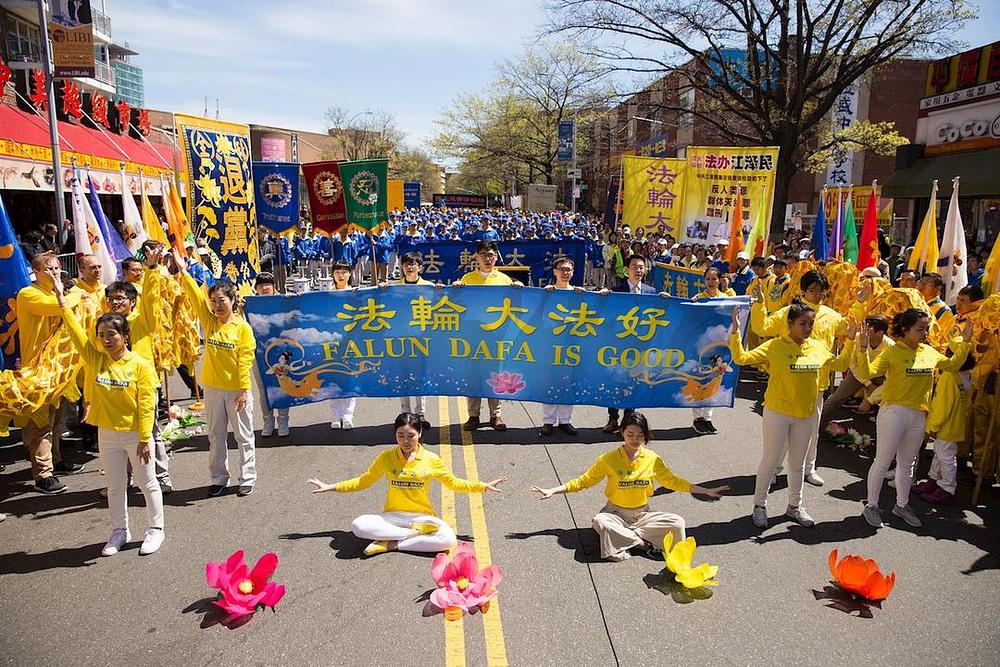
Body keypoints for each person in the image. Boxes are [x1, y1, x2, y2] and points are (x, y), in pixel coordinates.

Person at [54, 279, 164, 556]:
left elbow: (147, 402)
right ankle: (119, 531)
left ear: (125, 336)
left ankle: (155, 530)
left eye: (111, 334)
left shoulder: (139, 365)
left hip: (135, 434)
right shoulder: (96, 358)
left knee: (147, 482)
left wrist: (143, 437)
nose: (105, 339)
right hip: (108, 433)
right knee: (115, 487)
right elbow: (77, 333)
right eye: (101, 334)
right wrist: (61, 301)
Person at [530, 412, 728, 561]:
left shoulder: (652, 459)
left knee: (678, 523)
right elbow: (584, 481)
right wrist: (554, 490)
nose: (634, 439)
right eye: (630, 434)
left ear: (645, 436)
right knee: (601, 522)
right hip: (615, 514)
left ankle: (627, 541)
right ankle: (643, 544)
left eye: (640, 435)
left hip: (642, 515)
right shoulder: (608, 459)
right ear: (622, 433)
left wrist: (705, 490)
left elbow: (673, 481)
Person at [730, 300, 857, 528]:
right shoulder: (775, 346)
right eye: (803, 323)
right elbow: (741, 358)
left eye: (811, 323)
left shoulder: (817, 347)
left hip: (805, 416)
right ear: (790, 323)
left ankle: (794, 507)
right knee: (770, 461)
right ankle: (759, 506)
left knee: (797, 465)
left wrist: (850, 340)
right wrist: (735, 334)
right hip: (777, 414)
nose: (808, 328)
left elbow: (840, 364)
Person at [307, 413, 507, 556]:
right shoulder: (386, 457)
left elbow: (454, 483)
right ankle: (412, 536)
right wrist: (331, 486)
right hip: (392, 517)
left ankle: (391, 545)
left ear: (419, 434)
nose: (405, 441)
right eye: (400, 435)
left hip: (422, 517)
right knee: (358, 525)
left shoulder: (431, 459)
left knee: (448, 540)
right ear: (395, 435)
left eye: (410, 435)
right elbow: (363, 481)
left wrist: (482, 486)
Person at [855, 309, 972, 529]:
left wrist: (965, 342)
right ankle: (871, 505)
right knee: (882, 462)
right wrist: (862, 347)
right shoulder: (892, 353)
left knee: (907, 465)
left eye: (926, 328)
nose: (925, 332)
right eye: (920, 329)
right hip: (893, 413)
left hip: (918, 416)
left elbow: (953, 365)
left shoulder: (929, 352)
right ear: (905, 330)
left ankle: (902, 504)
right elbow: (868, 372)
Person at [175, 249, 258, 498]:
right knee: (216, 435)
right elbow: (194, 296)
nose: (217, 305)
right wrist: (183, 270)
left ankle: (248, 477)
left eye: (222, 300)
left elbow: (246, 359)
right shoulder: (210, 322)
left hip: (236, 391)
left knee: (243, 436)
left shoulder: (242, 328)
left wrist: (244, 390)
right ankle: (219, 477)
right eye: (213, 301)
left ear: (232, 300)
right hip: (212, 388)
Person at [16, 251, 86, 494]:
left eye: (58, 269)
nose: (56, 274)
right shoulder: (28, 295)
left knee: (57, 420)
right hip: (36, 370)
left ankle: (56, 460)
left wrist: (68, 292)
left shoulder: (62, 293)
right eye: (50, 270)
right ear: (36, 272)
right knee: (41, 424)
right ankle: (43, 474)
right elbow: (58, 307)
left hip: (58, 369)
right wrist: (73, 291)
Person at [452, 241, 524, 432]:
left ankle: (496, 415)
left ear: (497, 256)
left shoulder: (504, 280)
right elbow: (455, 305)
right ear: (476, 257)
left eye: (491, 254)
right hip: (473, 335)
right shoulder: (467, 278)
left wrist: (519, 288)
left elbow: (518, 304)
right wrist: (456, 290)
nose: (488, 258)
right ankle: (473, 415)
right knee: (473, 375)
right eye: (484, 254)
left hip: (496, 335)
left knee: (496, 374)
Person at [598, 254, 670, 433]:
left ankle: (628, 420)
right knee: (616, 381)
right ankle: (613, 418)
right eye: (635, 267)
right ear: (626, 270)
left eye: (641, 267)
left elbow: (658, 315)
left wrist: (665, 301)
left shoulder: (651, 292)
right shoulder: (616, 291)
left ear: (645, 270)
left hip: (640, 347)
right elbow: (606, 315)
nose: (638, 270)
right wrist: (603, 298)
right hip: (619, 345)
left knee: (634, 382)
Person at [539, 256, 584, 436]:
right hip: (551, 343)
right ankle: (548, 421)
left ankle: (565, 420)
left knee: (568, 381)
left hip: (572, 345)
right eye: (562, 269)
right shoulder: (547, 292)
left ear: (573, 272)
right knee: (550, 381)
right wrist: (544, 296)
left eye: (568, 270)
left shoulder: (578, 293)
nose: (565, 273)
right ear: (555, 271)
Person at [389, 252, 435, 429]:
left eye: (414, 264)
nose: (409, 267)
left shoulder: (429, 287)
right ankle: (405, 412)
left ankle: (420, 413)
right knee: (403, 376)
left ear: (420, 267)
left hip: (422, 340)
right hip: (400, 340)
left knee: (421, 377)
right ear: (402, 267)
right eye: (406, 263)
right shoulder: (393, 288)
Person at [819, 315, 891, 424]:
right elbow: (852, 364)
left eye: (867, 330)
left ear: (880, 333)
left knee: (891, 396)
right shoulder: (856, 338)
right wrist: (868, 384)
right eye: (862, 328)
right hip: (856, 375)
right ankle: (816, 423)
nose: (862, 332)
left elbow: (891, 379)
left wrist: (870, 399)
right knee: (835, 400)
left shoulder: (890, 346)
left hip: (879, 376)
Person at [253, 272, 290, 438]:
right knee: (263, 389)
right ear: (256, 289)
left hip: (279, 353)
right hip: (259, 354)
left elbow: (295, 315)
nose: (264, 288)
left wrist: (294, 299)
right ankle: (268, 420)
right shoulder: (249, 305)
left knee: (281, 387)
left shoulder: (282, 301)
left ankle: (283, 419)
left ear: (274, 286)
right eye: (261, 285)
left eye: (268, 284)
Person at [329, 260, 359, 429]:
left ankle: (347, 415)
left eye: (344, 272)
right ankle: (335, 415)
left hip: (351, 342)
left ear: (350, 274)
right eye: (337, 272)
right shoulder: (326, 295)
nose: (341, 275)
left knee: (349, 378)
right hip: (332, 342)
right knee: (333, 377)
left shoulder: (356, 293)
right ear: (333, 274)